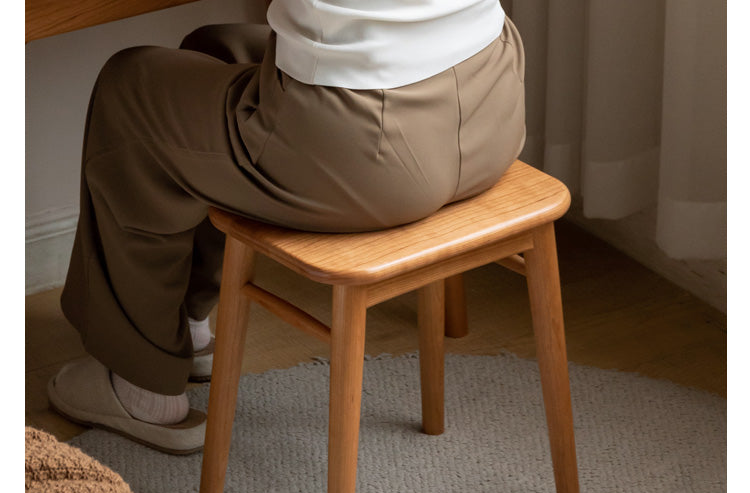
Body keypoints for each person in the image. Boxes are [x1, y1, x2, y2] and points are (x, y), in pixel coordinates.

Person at [48, 0, 526, 454]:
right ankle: (187, 325)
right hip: (492, 103)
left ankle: (141, 385)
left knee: (130, 88)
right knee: (214, 49)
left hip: (376, 153)